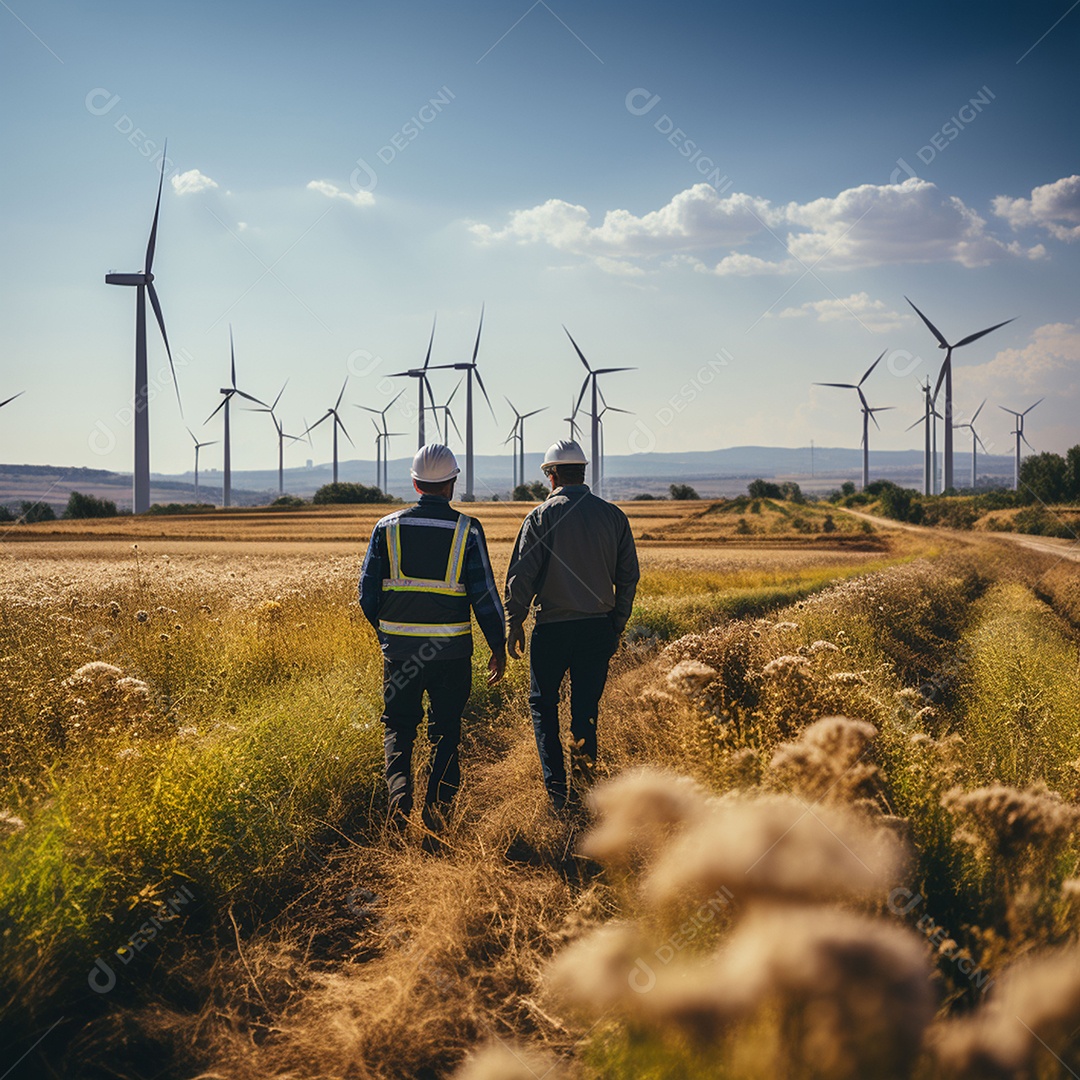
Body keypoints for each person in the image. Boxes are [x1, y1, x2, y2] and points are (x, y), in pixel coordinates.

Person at [359, 444, 506, 833]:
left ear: (414, 481)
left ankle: (399, 798)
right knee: (446, 731)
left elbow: (367, 595)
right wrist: (498, 645)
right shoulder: (467, 530)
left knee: (398, 725)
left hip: (401, 654)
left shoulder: (386, 528)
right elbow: (485, 596)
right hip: (451, 654)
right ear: (452, 483)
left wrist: (389, 633)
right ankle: (438, 812)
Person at [504, 439, 640, 809]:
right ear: (583, 472)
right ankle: (584, 791)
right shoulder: (613, 516)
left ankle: (557, 796)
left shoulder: (540, 517)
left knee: (544, 707)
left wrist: (513, 623)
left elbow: (522, 577)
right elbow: (629, 576)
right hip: (598, 629)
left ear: (552, 475)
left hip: (552, 629)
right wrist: (617, 623)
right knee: (586, 712)